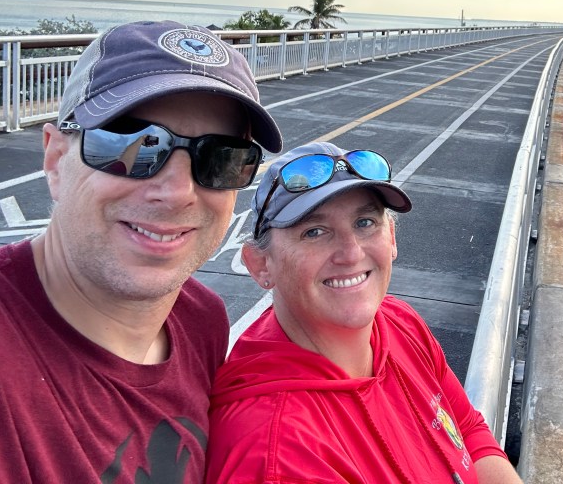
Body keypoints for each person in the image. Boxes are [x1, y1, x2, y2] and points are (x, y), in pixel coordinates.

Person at [0, 20, 283, 483]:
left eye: (220, 158)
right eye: (135, 145)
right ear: (55, 158)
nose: (179, 192)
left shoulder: (199, 318)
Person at [205, 141, 524, 484]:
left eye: (365, 222)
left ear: (392, 238)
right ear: (260, 265)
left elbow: (469, 434)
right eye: (314, 231)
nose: (351, 252)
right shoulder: (279, 455)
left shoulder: (398, 322)